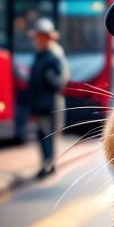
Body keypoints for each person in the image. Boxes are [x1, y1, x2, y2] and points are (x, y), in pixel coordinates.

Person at [27, 17, 69, 178]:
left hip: (49, 103)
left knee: (46, 134)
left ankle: (48, 164)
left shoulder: (52, 55)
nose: (37, 39)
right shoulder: (41, 54)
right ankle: (47, 163)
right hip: (40, 102)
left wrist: (48, 77)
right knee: (42, 133)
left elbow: (59, 80)